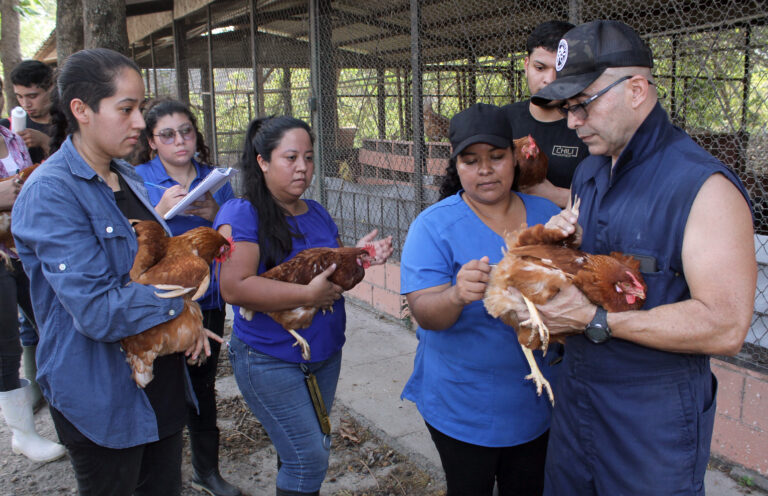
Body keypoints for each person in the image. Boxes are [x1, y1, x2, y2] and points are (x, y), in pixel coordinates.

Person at [524, 20, 756, 495]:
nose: (572, 122)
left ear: (635, 90)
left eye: (583, 104)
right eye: (568, 108)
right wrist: (559, 243)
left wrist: (598, 321)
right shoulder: (590, 171)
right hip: (576, 400)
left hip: (651, 419)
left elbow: (727, 325)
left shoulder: (702, 187)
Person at [12, 48, 219, 496]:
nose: (140, 122)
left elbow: (153, 269)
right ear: (81, 110)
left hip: (158, 383)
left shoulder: (128, 178)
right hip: (101, 396)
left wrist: (187, 321)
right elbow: (99, 312)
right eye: (126, 109)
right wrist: (181, 297)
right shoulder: (51, 194)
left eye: (140, 107)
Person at [214, 116, 393, 496]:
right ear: (262, 161)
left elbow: (327, 275)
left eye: (309, 158)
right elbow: (234, 286)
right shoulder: (241, 213)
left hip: (324, 355)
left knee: (298, 449)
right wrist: (308, 296)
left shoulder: (316, 211)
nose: (302, 168)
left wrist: (356, 259)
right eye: (290, 157)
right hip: (270, 358)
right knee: (308, 457)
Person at [399, 103, 562, 496]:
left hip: (535, 398)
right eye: (471, 161)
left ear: (514, 158)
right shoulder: (433, 226)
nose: (485, 169)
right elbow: (424, 312)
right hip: (462, 403)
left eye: (496, 157)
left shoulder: (547, 216)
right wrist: (455, 295)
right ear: (456, 166)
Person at [134, 98, 241, 496]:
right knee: (159, 384)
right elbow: (132, 242)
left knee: (201, 380)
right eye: (167, 134)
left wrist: (217, 212)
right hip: (157, 301)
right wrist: (159, 211)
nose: (179, 141)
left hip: (205, 300)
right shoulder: (137, 178)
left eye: (186, 132)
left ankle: (205, 471)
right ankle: (157, 473)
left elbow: (233, 235)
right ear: (151, 142)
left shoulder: (215, 177)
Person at [0, 118, 65, 463]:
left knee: (51, 329)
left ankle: (67, 420)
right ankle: (23, 434)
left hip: (23, 248)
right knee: (6, 344)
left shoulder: (14, 139)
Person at [503, 21, 589, 208]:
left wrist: (554, 195)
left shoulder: (589, 127)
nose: (549, 80)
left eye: (560, 70)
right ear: (526, 65)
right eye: (540, 68)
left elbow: (610, 204)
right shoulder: (502, 120)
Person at [8, 60, 54, 163]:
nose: (25, 104)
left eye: (32, 96)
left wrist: (45, 142)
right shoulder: (7, 127)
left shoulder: (72, 122)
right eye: (19, 96)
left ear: (51, 89)